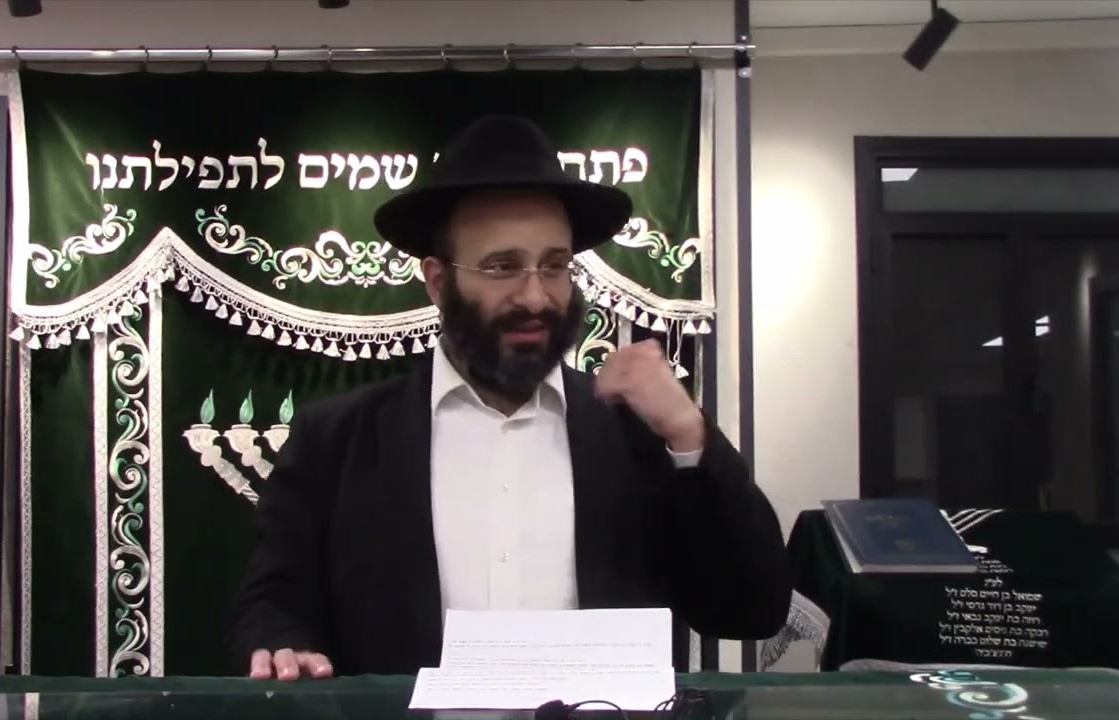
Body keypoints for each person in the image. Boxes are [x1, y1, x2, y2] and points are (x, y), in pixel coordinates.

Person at [228, 115, 792, 680]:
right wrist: (282, 642)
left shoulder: (634, 434)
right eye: (503, 267)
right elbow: (275, 600)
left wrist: (690, 434)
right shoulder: (338, 439)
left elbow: (751, 609)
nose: (536, 297)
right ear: (437, 281)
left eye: (554, 266)